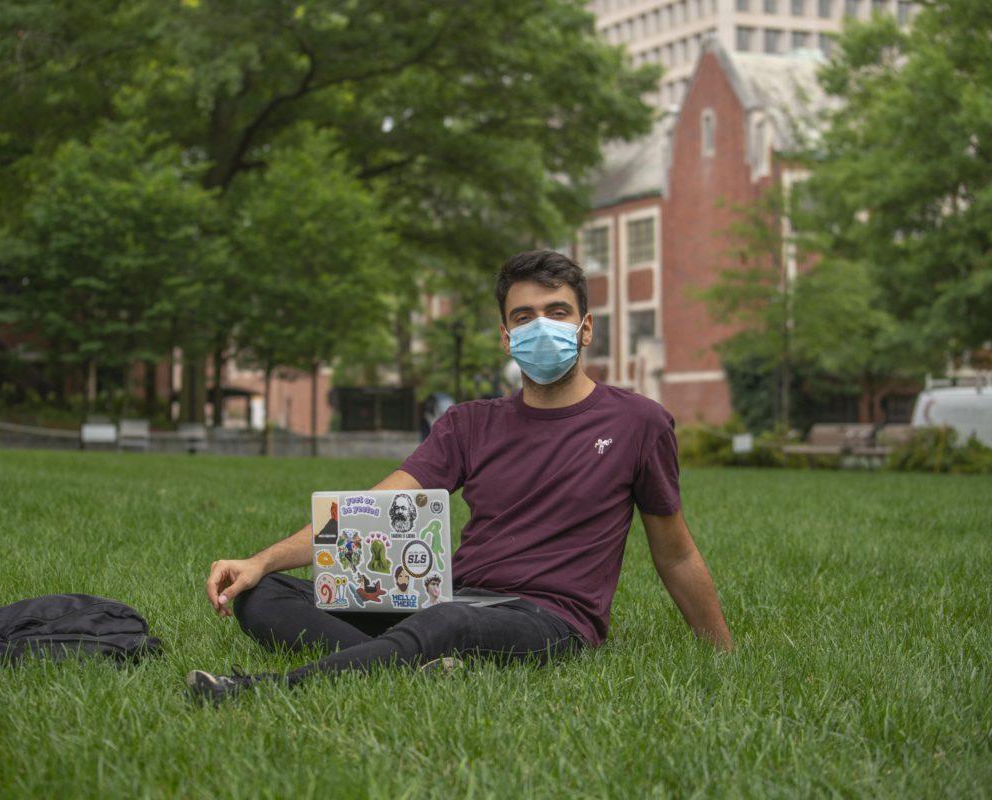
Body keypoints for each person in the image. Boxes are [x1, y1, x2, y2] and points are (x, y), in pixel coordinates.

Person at [187, 250, 731, 703]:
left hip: (552, 620)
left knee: (445, 622)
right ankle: (413, 662)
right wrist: (261, 561)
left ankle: (263, 690)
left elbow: (676, 553)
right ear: (506, 336)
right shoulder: (470, 423)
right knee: (267, 596)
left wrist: (723, 654)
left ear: (585, 328)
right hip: (457, 597)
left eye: (558, 311)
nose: (541, 326)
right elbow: (367, 512)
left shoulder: (640, 422)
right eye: (524, 316)